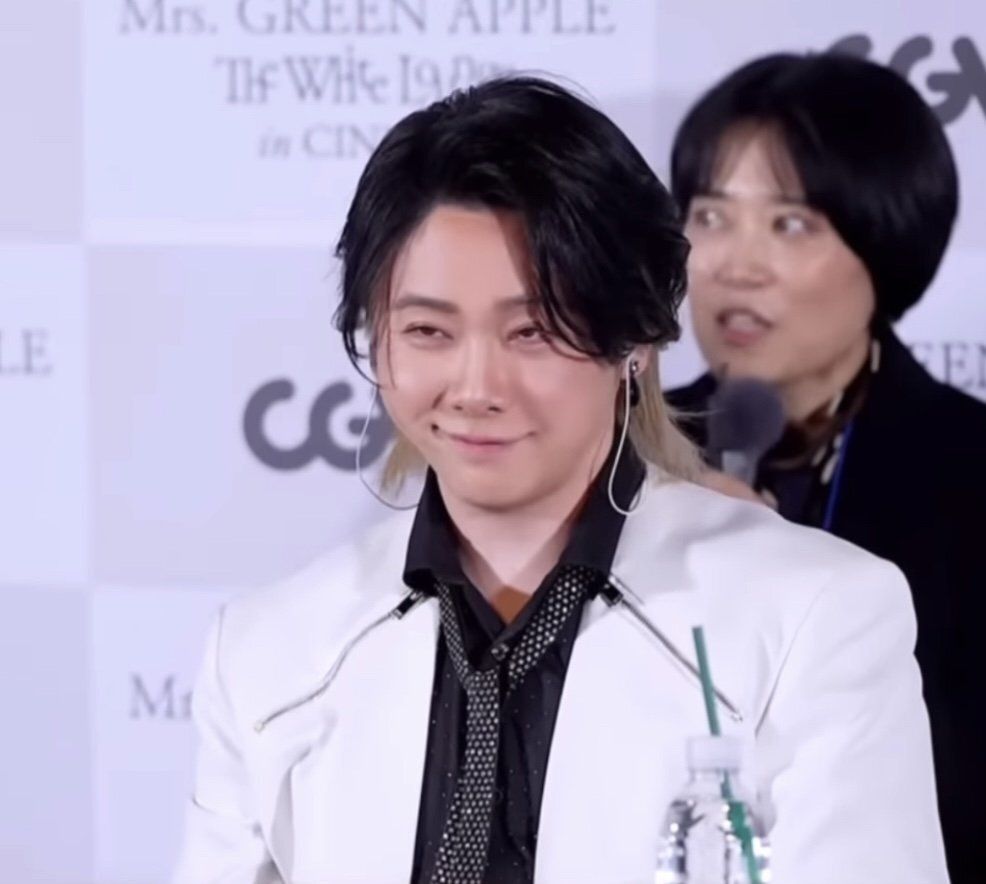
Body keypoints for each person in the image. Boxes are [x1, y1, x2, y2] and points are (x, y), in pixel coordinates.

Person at [173, 75, 948, 884]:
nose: (476, 386)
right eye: (428, 330)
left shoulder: (810, 619)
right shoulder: (268, 653)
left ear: (634, 342)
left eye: (533, 332)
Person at [665, 51, 986, 884]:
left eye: (791, 224)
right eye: (710, 216)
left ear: (886, 246)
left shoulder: (970, 469)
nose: (735, 264)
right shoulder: (620, 453)